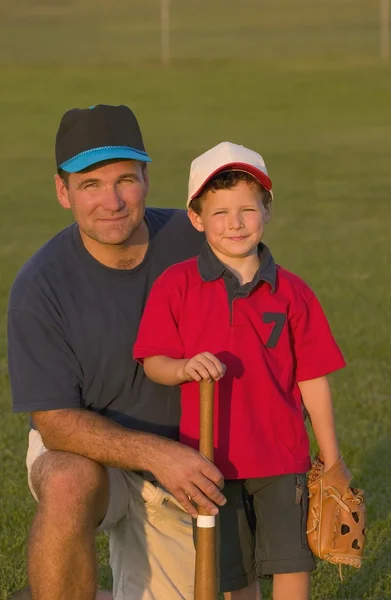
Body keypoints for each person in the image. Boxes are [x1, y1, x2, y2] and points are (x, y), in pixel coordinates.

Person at [7, 104, 226, 600]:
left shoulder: (197, 243)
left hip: (184, 463)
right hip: (90, 450)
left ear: (147, 179)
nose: (112, 200)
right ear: (63, 192)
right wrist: (157, 454)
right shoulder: (40, 285)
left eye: (125, 179)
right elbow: (56, 422)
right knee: (66, 481)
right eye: (90, 184)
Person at [133, 141, 347, 600]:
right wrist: (185, 368)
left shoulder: (292, 292)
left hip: (282, 457)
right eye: (220, 212)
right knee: (233, 574)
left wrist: (332, 460)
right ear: (196, 218)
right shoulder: (177, 284)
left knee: (292, 562)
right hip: (211, 461)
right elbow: (153, 361)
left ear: (267, 211)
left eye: (247, 210)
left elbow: (313, 378)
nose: (235, 224)